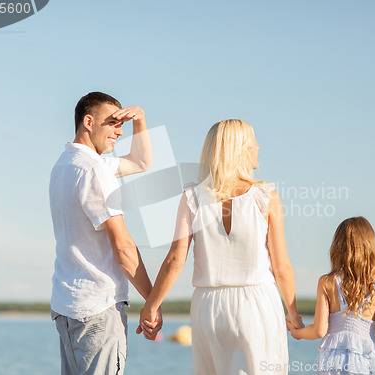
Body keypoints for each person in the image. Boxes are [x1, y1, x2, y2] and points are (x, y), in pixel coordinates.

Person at [138, 119, 303, 375]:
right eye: (253, 142)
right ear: (242, 148)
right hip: (256, 303)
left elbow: (175, 259)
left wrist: (151, 305)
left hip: (208, 306)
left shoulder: (191, 196)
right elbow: (281, 267)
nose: (258, 147)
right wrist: (293, 313)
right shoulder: (267, 197)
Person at [49, 91, 162, 375]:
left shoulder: (65, 165)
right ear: (88, 122)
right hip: (97, 308)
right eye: (112, 123)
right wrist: (152, 301)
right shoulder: (94, 170)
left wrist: (141, 121)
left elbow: (140, 163)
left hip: (68, 306)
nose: (119, 131)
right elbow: (123, 246)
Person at [287, 217, 375, 375]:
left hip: (333, 366)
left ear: (338, 247)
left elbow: (319, 331)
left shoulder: (327, 282)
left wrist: (297, 332)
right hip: (365, 366)